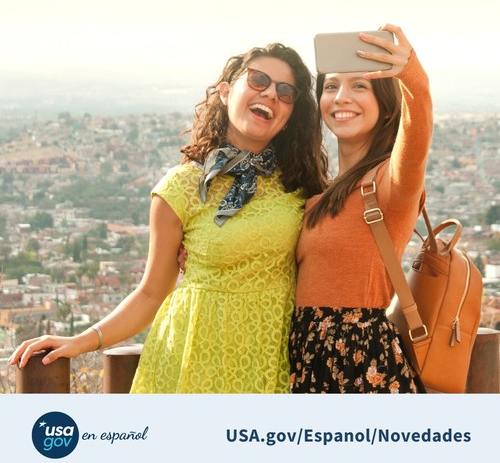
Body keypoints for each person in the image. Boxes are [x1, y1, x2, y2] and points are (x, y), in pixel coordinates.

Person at [9, 43, 329, 393]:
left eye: (285, 92)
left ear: (288, 118)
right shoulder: (183, 188)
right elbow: (150, 293)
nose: (270, 92)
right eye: (258, 80)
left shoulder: (302, 186)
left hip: (274, 361)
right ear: (225, 92)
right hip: (194, 361)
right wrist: (81, 341)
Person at [289, 24, 433, 393]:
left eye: (360, 86)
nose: (341, 97)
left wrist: (410, 73)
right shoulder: (319, 195)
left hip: (362, 366)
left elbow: (416, 130)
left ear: (387, 108)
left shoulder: (390, 183)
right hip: (306, 362)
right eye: (331, 85)